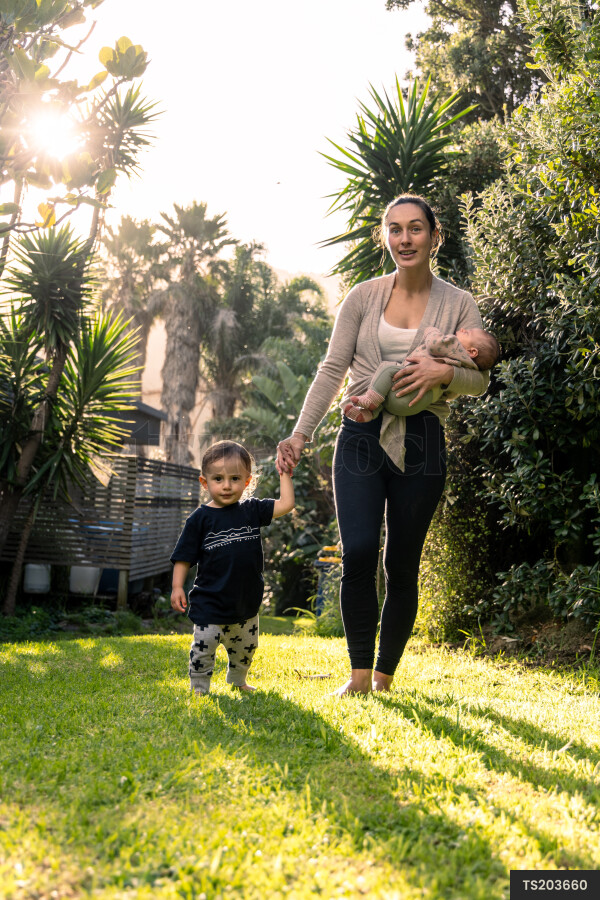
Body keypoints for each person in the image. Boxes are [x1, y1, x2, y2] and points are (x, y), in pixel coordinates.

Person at [277, 194, 490, 696]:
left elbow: (479, 378)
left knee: (402, 562)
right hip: (359, 435)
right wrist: (300, 434)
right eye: (395, 229)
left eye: (416, 228)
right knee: (360, 552)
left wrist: (446, 372)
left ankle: (384, 676)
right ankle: (356, 676)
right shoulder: (362, 296)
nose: (405, 238)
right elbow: (332, 369)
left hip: (422, 442)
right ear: (384, 236)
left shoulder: (459, 302)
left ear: (434, 237)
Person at [171, 440, 294, 695]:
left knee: (246, 649)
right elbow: (183, 557)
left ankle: (238, 680)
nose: (226, 485)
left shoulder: (252, 510)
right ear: (205, 482)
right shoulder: (199, 519)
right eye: (218, 479)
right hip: (209, 602)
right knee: (203, 648)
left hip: (244, 603)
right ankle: (199, 687)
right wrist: (176, 587)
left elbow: (286, 504)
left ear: (247, 481)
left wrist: (285, 474)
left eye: (235, 478)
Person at [343, 324, 499, 422]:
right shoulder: (470, 367)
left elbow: (433, 344)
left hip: (410, 394)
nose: (464, 329)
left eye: (468, 333)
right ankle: (369, 414)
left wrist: (431, 331)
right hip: (419, 403)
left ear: (472, 352)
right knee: (385, 395)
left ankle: (370, 400)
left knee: (387, 369)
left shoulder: (455, 345)